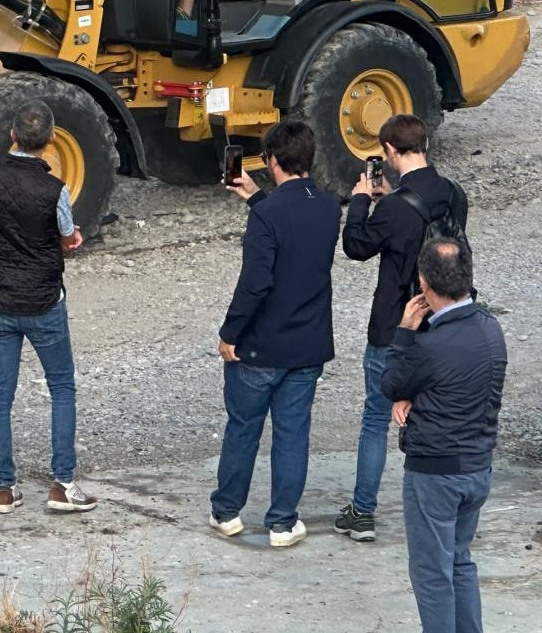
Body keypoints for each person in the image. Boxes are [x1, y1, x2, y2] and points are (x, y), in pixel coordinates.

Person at [336, 115, 467, 542]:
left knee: (376, 417)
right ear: (425, 142)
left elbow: (356, 246)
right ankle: (444, 510)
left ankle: (363, 513)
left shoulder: (391, 208)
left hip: (394, 325)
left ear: (389, 152)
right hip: (444, 322)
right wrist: (392, 199)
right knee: (441, 414)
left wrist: (361, 201)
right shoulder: (453, 194)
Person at [210, 120, 340, 547]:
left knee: (244, 428)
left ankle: (228, 511)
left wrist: (230, 332)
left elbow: (256, 283)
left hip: (260, 347)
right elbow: (295, 228)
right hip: (307, 346)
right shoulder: (327, 207)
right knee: (292, 433)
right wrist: (256, 197)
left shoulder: (267, 215)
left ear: (271, 161)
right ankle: (283, 522)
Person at [0, 99, 97, 515]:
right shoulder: (54, 190)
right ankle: (63, 484)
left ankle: (4, 490)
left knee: (0, 392)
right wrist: (74, 239)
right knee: (61, 387)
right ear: (49, 141)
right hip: (44, 299)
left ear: (12, 135)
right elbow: (66, 237)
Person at [383, 238, 505, 633]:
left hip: (435, 473)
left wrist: (404, 331)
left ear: (423, 282)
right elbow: (450, 384)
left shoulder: (430, 345)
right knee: (459, 561)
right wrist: (414, 395)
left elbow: (392, 381)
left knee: (432, 574)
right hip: (476, 466)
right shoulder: (491, 329)